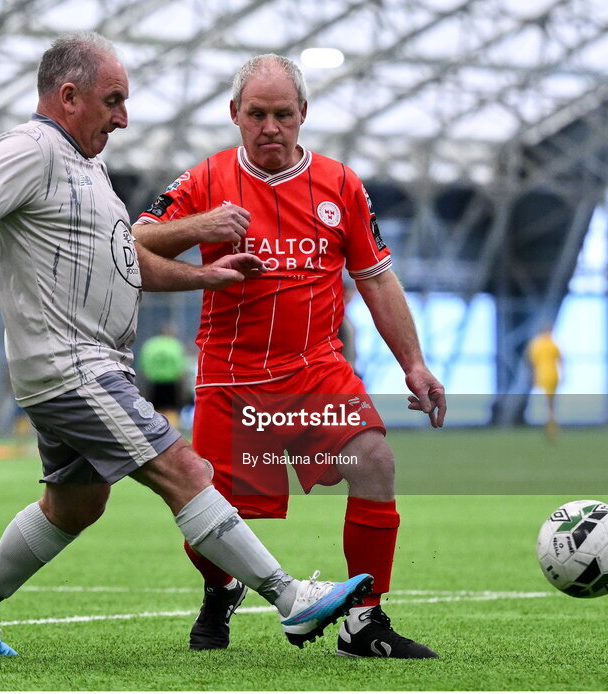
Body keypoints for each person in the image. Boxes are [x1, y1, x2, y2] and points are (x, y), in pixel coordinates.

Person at [0, 33, 371, 658]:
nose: (123, 117)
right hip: (73, 368)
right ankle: (291, 599)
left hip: (92, 367)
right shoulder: (28, 149)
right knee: (184, 470)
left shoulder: (89, 168)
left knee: (75, 504)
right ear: (68, 96)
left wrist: (204, 275)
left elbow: (128, 261)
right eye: (113, 100)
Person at [133, 54, 447, 659]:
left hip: (315, 370)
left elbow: (377, 280)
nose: (270, 126)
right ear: (234, 115)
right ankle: (222, 586)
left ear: (303, 114)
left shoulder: (341, 185)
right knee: (205, 515)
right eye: (257, 114)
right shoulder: (203, 181)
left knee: (375, 460)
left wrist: (413, 363)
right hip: (231, 376)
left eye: (283, 114)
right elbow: (131, 236)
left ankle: (364, 622)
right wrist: (205, 230)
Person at [137, 323, 188, 428]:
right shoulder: (175, 344)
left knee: (154, 409)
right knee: (171, 409)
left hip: (153, 382)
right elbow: (181, 368)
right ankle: (172, 431)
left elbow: (143, 368)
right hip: (171, 382)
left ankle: (157, 430)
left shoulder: (150, 345)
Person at [526, 324, 563, 440]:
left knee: (548, 403)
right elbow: (561, 360)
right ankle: (551, 425)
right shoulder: (553, 343)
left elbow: (531, 361)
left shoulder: (537, 344)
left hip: (542, 375)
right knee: (551, 403)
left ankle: (550, 425)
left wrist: (533, 376)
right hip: (553, 375)